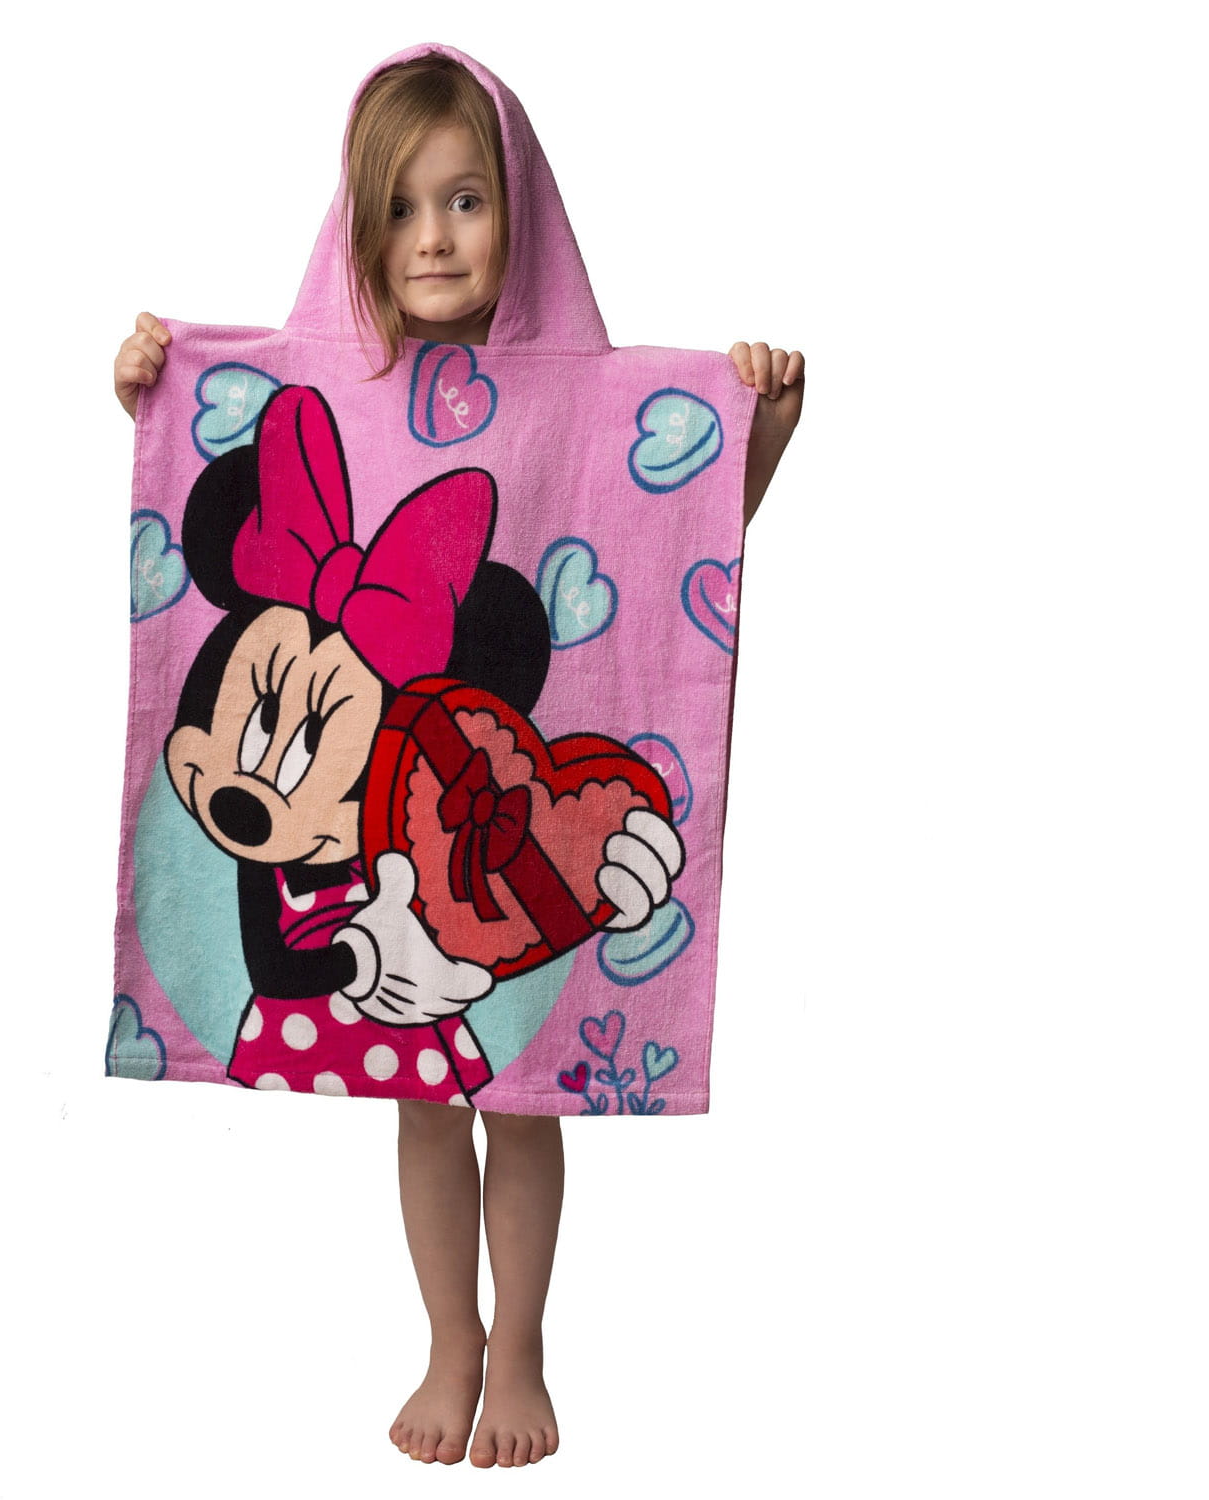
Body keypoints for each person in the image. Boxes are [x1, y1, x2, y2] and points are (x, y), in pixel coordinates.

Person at [110, 50, 803, 1470]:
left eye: (467, 200)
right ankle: (449, 1340)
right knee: (423, 1105)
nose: (433, 237)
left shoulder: (586, 403)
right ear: (357, 228)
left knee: (522, 1099)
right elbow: (224, 491)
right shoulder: (340, 393)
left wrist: (762, 430)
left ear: (520, 211)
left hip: (499, 841)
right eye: (401, 207)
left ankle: (524, 1346)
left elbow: (672, 540)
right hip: (372, 846)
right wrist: (157, 402)